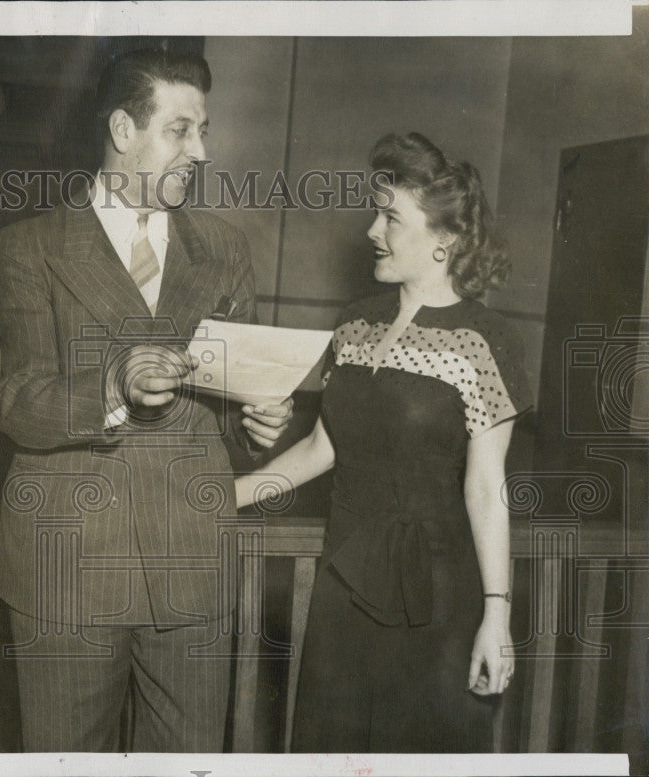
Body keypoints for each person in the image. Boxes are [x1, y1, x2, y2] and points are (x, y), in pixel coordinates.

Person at [0, 48, 292, 752]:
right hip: (70, 570)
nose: (203, 151)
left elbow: (234, 407)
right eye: (181, 130)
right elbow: (15, 402)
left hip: (193, 568)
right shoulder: (28, 246)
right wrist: (109, 387)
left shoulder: (224, 248)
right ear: (124, 130)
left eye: (204, 130)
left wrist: (257, 420)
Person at [236, 132, 532, 752]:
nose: (373, 230)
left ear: (443, 241)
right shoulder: (354, 323)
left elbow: (485, 487)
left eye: (391, 217)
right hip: (344, 582)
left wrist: (496, 614)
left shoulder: (484, 340)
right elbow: (324, 447)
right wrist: (229, 495)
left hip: (437, 597)